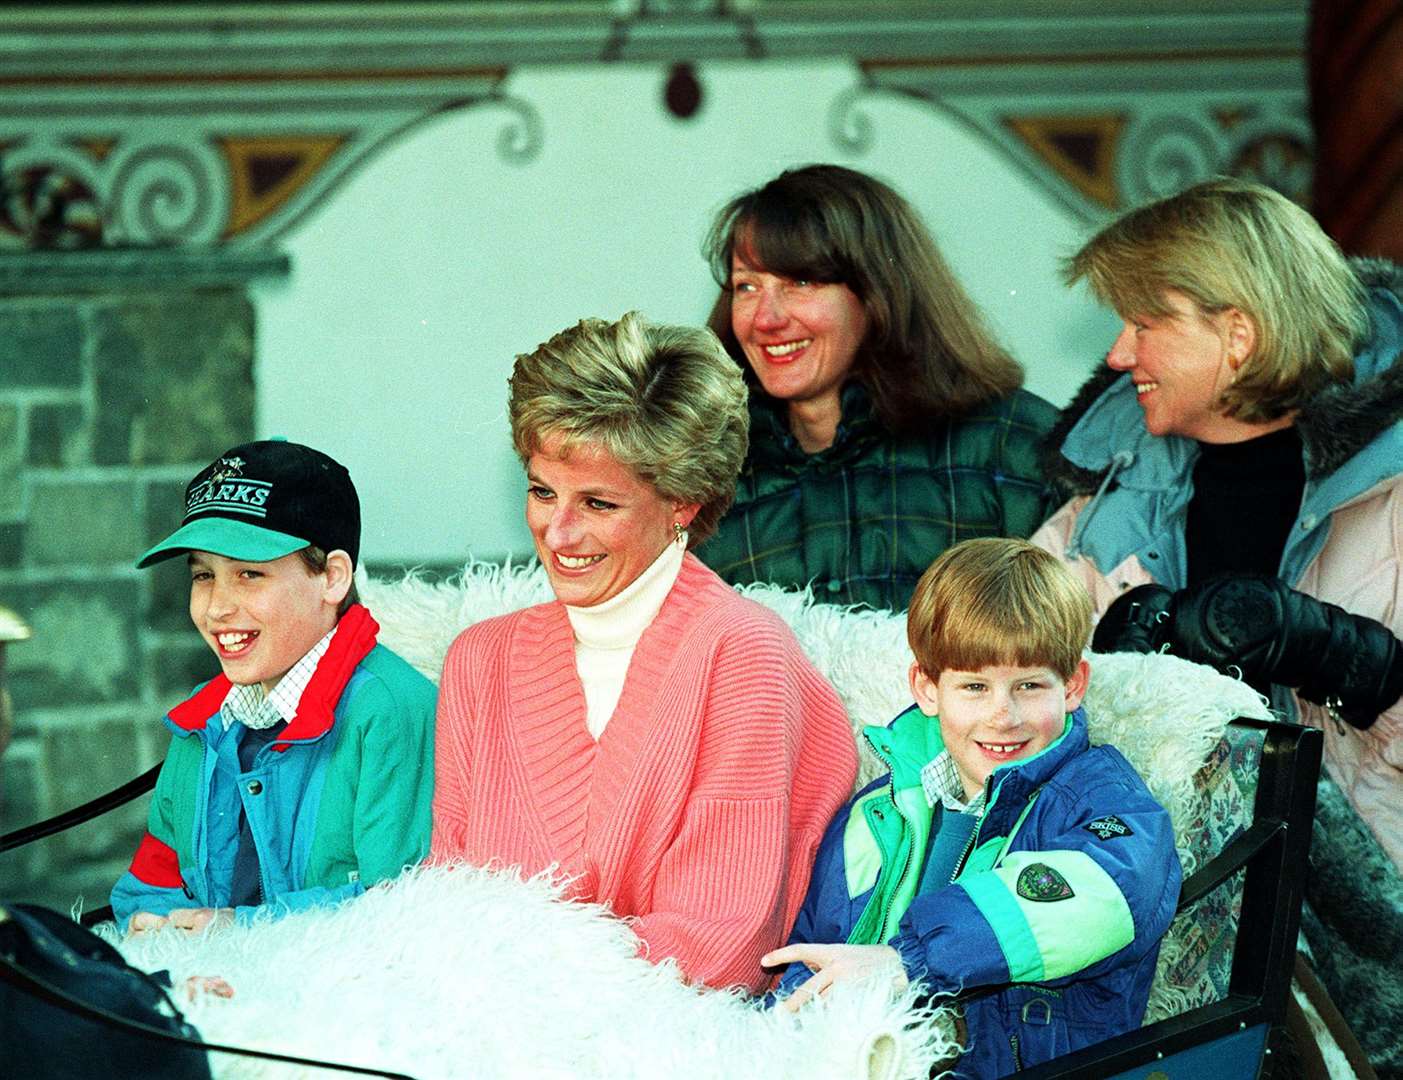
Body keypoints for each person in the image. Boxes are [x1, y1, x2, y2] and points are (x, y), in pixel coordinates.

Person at [1033, 177, 1403, 1072]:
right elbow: (991, 668)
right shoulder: (1109, 494)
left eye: (1143, 323)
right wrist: (1105, 656)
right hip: (1166, 945)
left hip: (1379, 950)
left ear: (1236, 335)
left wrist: (1349, 663)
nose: (1118, 354)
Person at [430, 312, 857, 993]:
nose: (557, 531)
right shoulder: (478, 661)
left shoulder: (744, 656)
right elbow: (443, 903)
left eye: (598, 503)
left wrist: (520, 978)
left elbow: (723, 941)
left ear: (682, 503)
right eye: (542, 491)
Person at [764, 538, 1178, 1076]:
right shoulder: (877, 811)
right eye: (975, 686)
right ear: (928, 689)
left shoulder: (1105, 801)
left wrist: (907, 963)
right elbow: (816, 951)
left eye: (1029, 685)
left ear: (1072, 685)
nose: (1002, 716)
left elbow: (1110, 895)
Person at [697, 164, 1059, 611]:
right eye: (746, 286)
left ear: (880, 293)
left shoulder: (1018, 446)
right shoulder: (703, 473)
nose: (766, 319)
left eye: (801, 282)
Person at [110, 440, 436, 934]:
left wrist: (241, 929)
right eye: (203, 575)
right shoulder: (201, 722)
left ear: (332, 577)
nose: (218, 607)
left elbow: (400, 908)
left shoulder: (391, 710)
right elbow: (148, 881)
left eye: (249, 574)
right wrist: (150, 925)